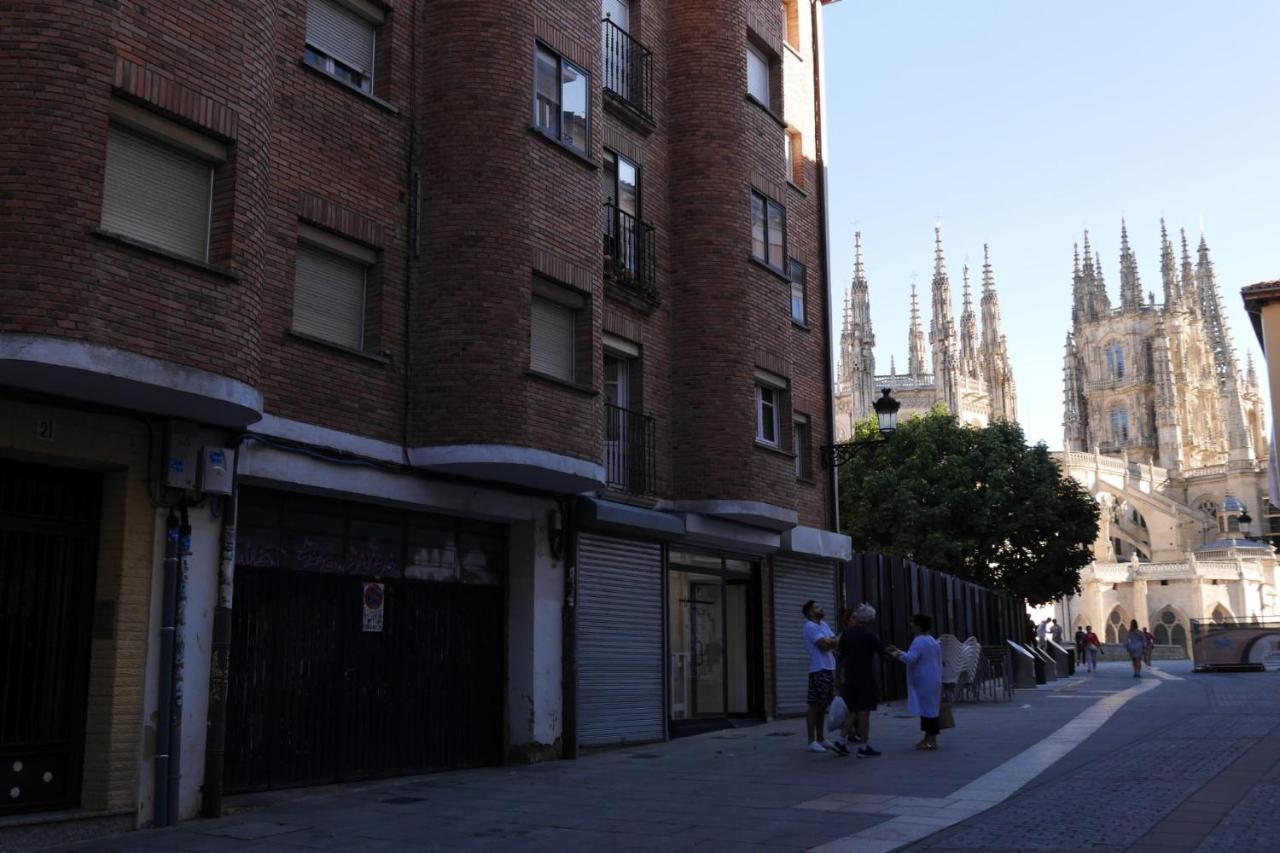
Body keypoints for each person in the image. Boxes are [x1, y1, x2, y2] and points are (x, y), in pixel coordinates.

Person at [832, 603, 887, 758]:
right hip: (865, 679)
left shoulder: (846, 635)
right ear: (870, 620)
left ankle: (841, 741)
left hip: (849, 678)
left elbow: (840, 658)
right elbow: (884, 656)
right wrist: (896, 654)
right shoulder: (871, 637)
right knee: (864, 713)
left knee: (853, 711)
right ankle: (863, 746)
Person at [888, 613, 943, 750]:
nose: (911, 626)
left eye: (913, 623)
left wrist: (898, 654)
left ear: (918, 626)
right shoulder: (932, 640)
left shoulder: (918, 641)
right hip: (934, 678)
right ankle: (928, 738)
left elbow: (911, 658)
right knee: (931, 709)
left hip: (923, 680)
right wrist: (900, 651)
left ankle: (930, 740)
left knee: (927, 711)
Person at [802, 600, 839, 753]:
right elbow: (824, 645)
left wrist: (831, 642)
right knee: (815, 706)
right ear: (810, 612)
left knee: (823, 706)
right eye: (817, 607)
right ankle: (811, 741)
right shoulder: (810, 626)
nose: (821, 608)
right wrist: (832, 642)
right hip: (818, 669)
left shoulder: (823, 625)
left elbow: (834, 642)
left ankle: (821, 739)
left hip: (829, 668)